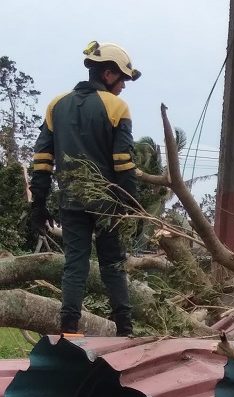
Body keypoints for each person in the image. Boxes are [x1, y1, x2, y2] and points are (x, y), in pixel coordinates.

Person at [29, 41, 142, 336]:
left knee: (75, 264)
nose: (124, 86)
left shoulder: (56, 105)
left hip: (71, 200)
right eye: (122, 79)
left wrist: (38, 204)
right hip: (108, 203)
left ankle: (68, 330)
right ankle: (125, 331)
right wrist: (133, 209)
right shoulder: (117, 107)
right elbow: (124, 164)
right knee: (112, 264)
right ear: (108, 74)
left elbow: (42, 160)